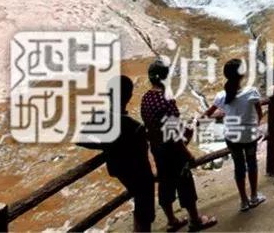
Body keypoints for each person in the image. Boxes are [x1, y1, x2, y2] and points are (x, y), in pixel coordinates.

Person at [140, 60, 217, 232]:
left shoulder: (145, 98)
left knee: (165, 183)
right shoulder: (166, 100)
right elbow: (173, 133)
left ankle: (172, 220)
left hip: (157, 150)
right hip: (172, 152)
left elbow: (154, 126)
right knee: (185, 184)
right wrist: (187, 152)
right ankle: (195, 220)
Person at [78, 75, 155, 232]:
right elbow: (143, 155)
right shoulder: (135, 127)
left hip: (117, 169)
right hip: (139, 173)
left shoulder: (99, 117)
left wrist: (107, 145)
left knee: (140, 203)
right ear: (130, 96)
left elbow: (81, 140)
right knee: (145, 209)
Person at [201, 59, 265, 212]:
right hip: (249, 137)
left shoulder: (221, 96)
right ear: (242, 74)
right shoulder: (251, 92)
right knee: (252, 164)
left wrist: (196, 122)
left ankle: (243, 201)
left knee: (239, 167)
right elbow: (259, 113)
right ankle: (254, 196)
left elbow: (208, 113)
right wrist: (254, 126)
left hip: (232, 137)